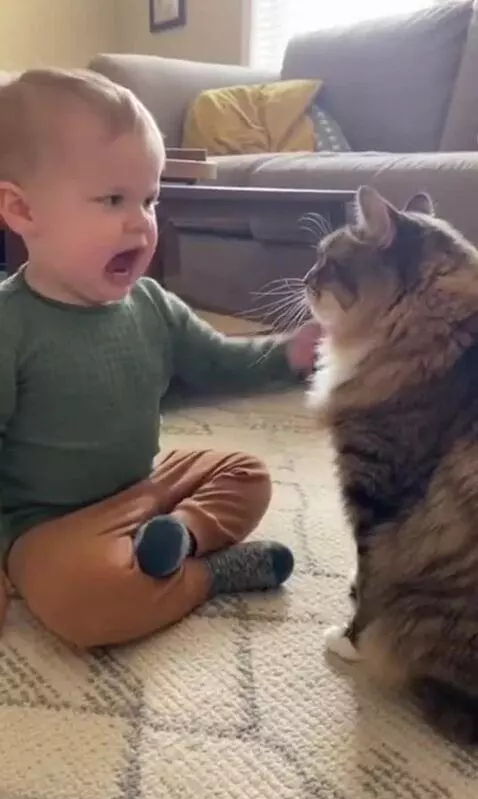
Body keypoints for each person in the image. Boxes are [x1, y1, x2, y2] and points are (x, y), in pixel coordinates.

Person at [0, 68, 321, 649]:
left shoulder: (151, 302)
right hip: (44, 524)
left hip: (146, 487)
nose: (140, 222)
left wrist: (289, 355)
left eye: (150, 198)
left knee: (246, 473)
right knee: (79, 603)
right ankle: (208, 576)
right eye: (113, 199)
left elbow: (218, 362)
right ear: (22, 211)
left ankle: (181, 537)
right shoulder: (10, 323)